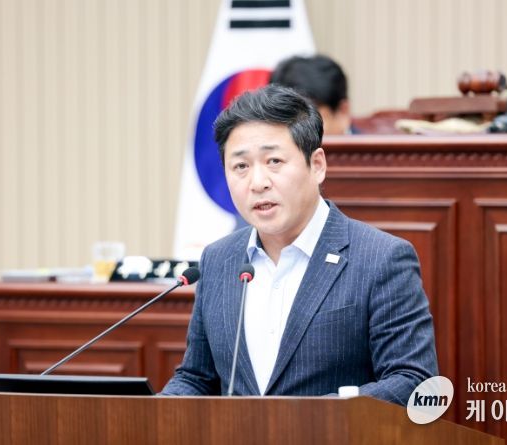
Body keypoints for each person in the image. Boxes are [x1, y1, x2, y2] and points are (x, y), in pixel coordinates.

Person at [161, 85, 437, 405]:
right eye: (241, 166)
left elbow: (414, 382)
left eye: (274, 161)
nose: (258, 182)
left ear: (317, 165)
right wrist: (152, 413)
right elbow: (197, 378)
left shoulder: (381, 259)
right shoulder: (218, 259)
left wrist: (310, 418)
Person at [269, 54, 356, 135]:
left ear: (342, 112)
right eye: (283, 120)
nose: (296, 134)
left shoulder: (364, 147)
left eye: (307, 120)